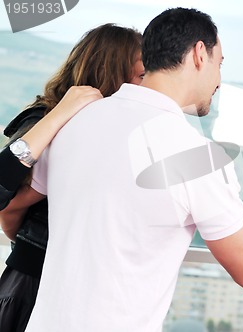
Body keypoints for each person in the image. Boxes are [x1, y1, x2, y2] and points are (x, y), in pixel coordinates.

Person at [9, 8, 243, 332]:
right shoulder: (198, 156)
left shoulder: (73, 122)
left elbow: (14, 202)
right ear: (199, 54)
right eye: (220, 64)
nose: (219, 80)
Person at [0, 23, 144, 331]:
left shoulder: (114, 130)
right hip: (32, 285)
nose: (145, 86)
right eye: (141, 75)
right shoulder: (47, 120)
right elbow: (8, 203)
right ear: (112, 72)